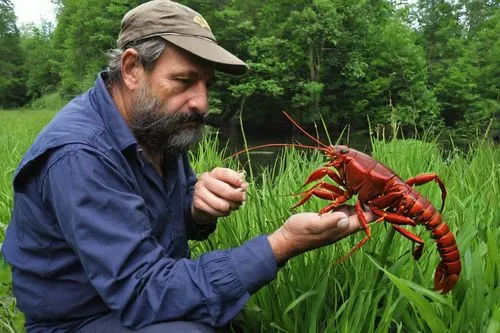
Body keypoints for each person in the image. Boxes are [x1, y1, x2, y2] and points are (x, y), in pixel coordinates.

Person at [2, 1, 374, 332]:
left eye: (207, 84)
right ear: (132, 68)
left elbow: (159, 223)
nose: (201, 102)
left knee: (234, 315)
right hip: (77, 319)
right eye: (184, 80)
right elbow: (142, 292)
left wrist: (194, 209)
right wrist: (280, 246)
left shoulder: (156, 124)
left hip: (128, 299)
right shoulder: (79, 154)